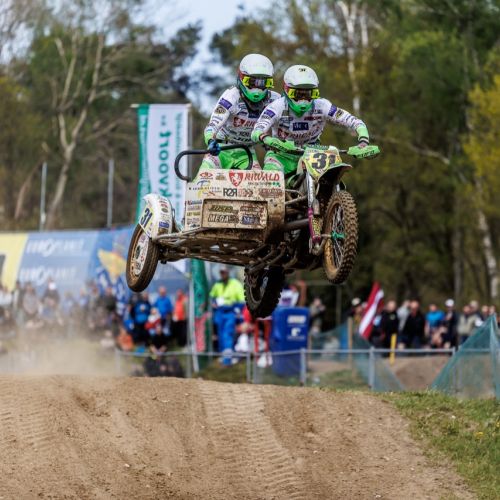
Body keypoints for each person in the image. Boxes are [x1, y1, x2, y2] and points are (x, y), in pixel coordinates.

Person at [251, 64, 370, 175]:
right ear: (287, 90)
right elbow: (257, 130)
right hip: (281, 156)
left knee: (330, 177)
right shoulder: (277, 106)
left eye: (309, 94)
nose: (303, 100)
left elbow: (353, 120)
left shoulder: (322, 105)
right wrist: (266, 138)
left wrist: (363, 141)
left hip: (312, 154)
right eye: (297, 94)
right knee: (270, 180)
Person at [202, 53, 280, 170]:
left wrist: (272, 142)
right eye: (252, 82)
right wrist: (210, 140)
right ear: (241, 78)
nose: (257, 89)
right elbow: (213, 124)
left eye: (263, 83)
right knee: (204, 177)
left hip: (246, 152)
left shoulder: (275, 100)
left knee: (260, 181)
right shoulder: (230, 97)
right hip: (221, 149)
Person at [210, 267, 245, 364]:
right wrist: (213, 303)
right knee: (220, 335)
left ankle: (227, 359)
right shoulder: (217, 284)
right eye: (221, 272)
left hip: (230, 313)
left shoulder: (235, 284)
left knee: (227, 335)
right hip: (219, 313)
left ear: (228, 272)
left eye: (224, 272)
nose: (223, 274)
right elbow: (212, 296)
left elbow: (241, 301)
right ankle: (223, 356)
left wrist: (235, 309)